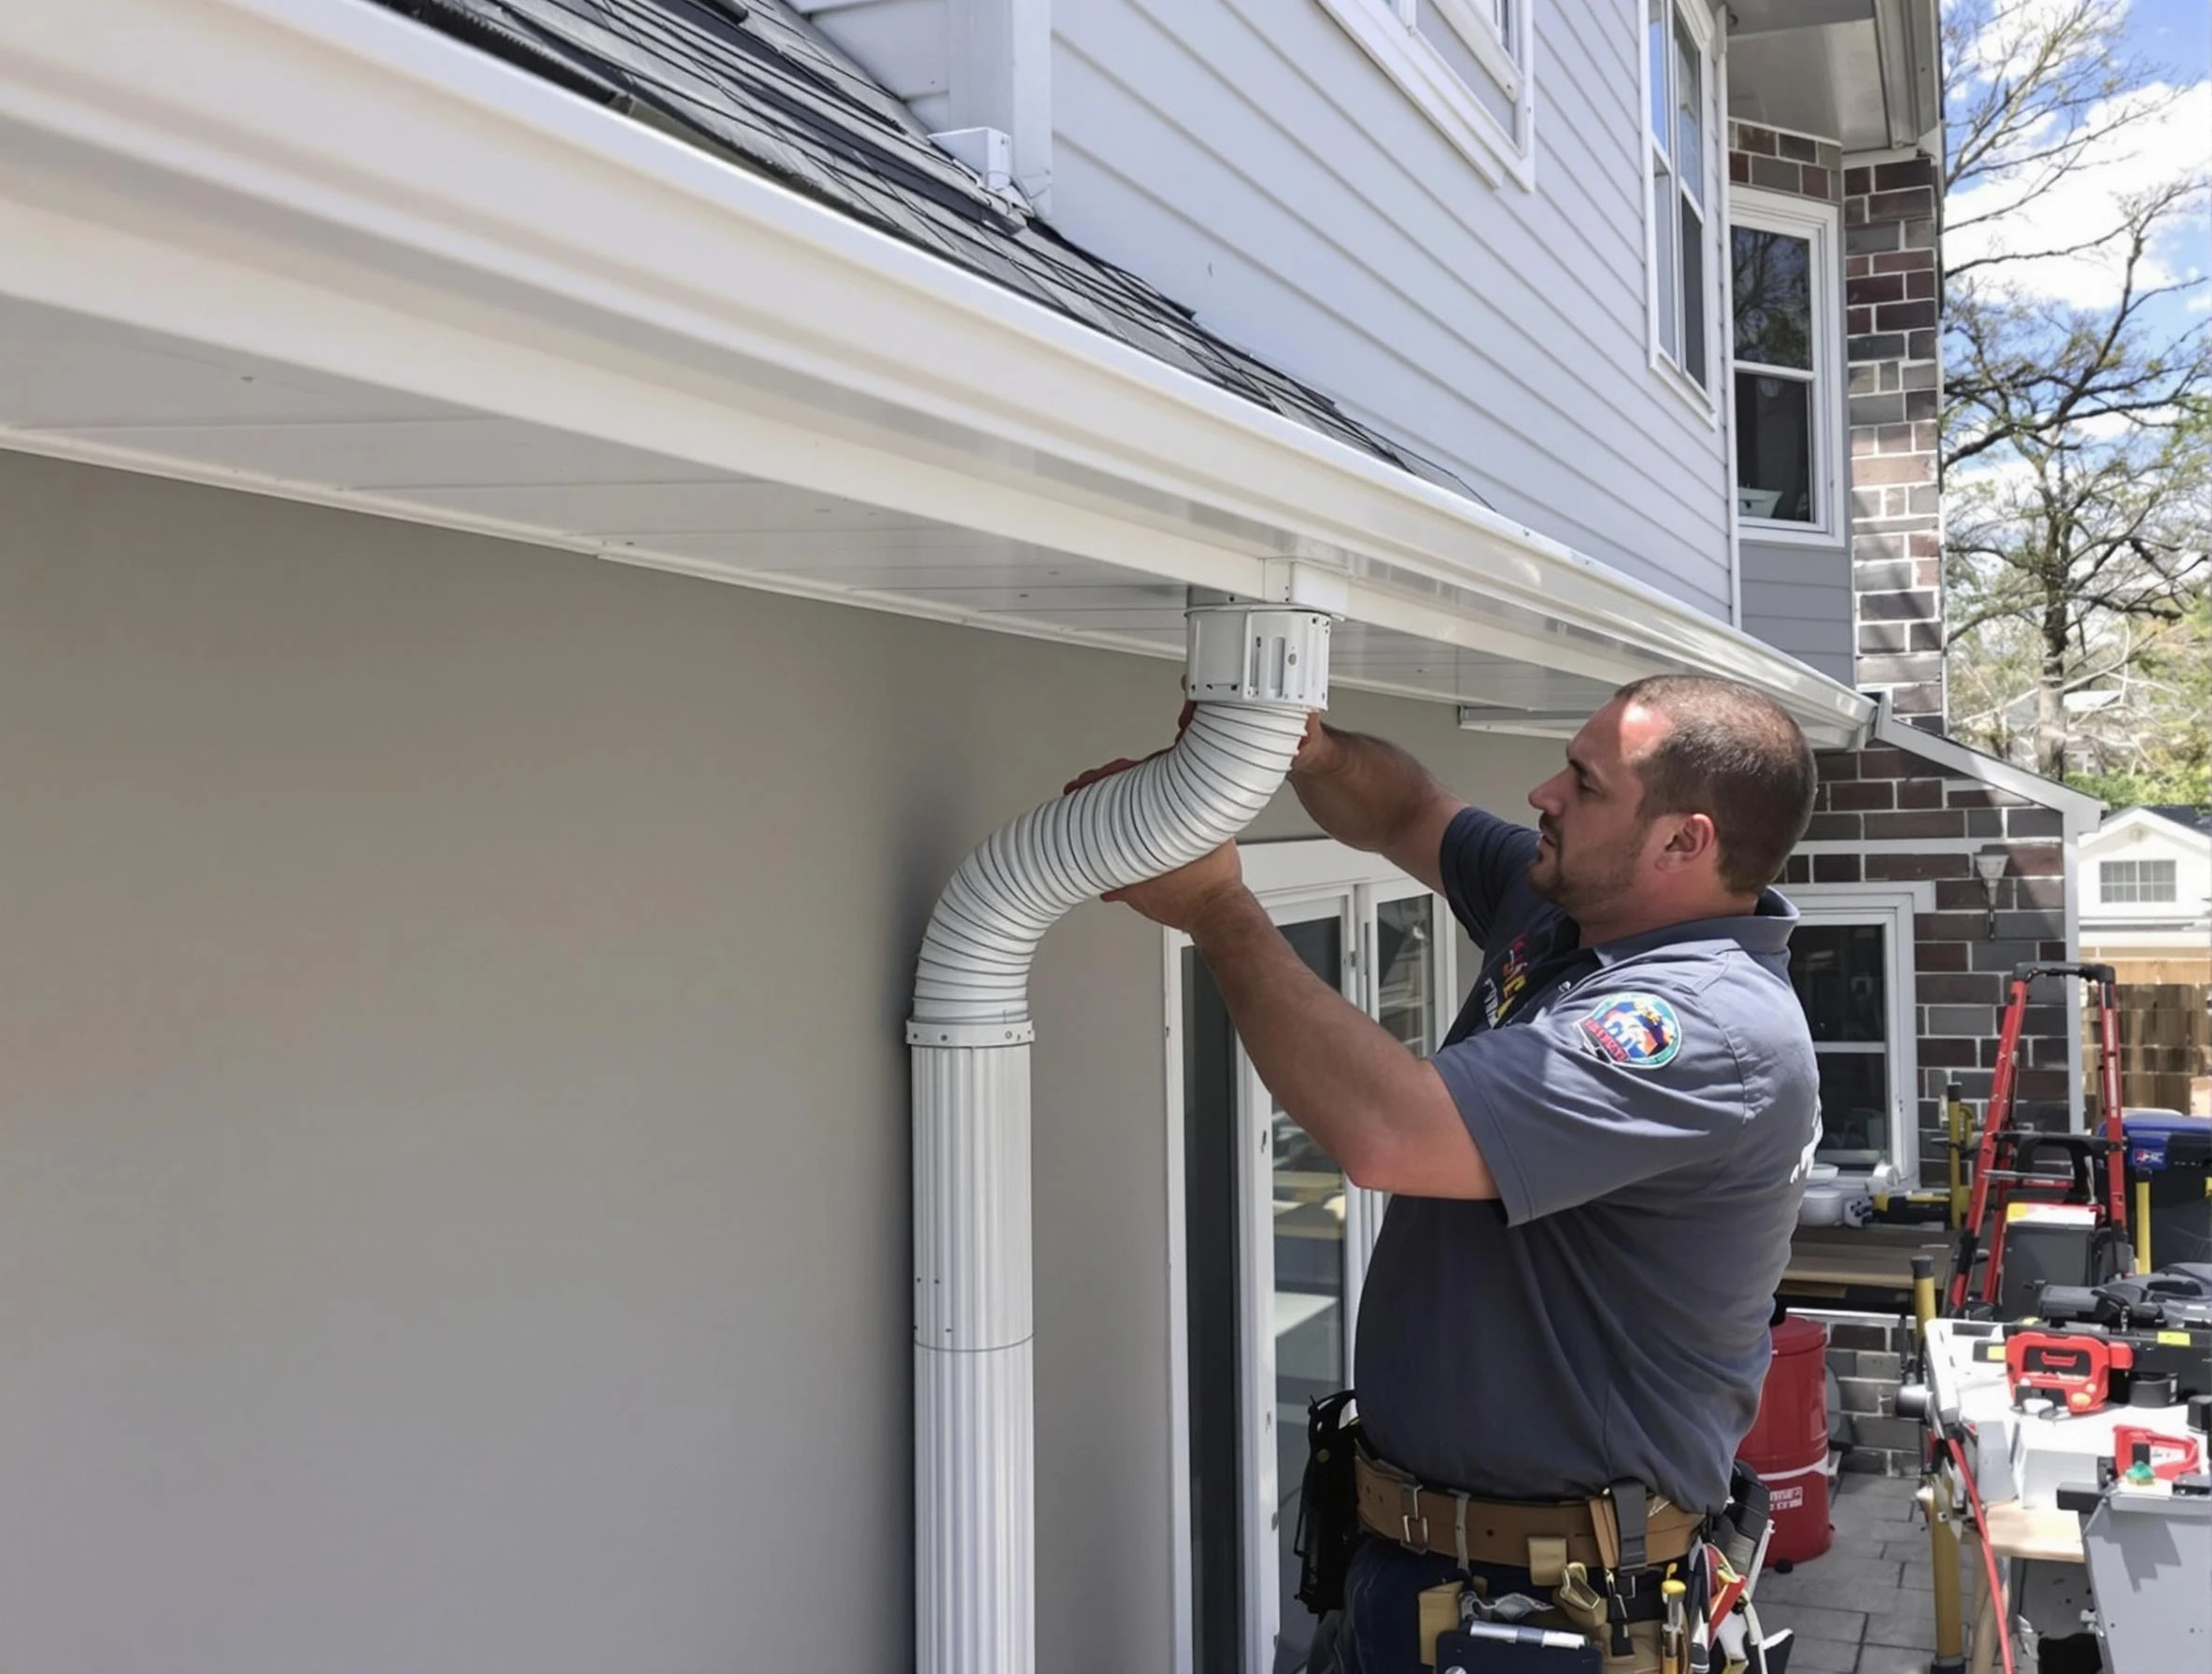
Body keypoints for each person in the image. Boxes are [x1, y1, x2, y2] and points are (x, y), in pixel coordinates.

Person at [1084, 674, 1821, 1672]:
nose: (1542, 795)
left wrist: (1217, 907)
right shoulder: (1574, 914)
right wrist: (1312, 749)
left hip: (1548, 1611)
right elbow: (1407, 812)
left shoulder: (1703, 1028)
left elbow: (1391, 1132)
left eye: (1584, 783)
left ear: (1682, 842)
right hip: (1421, 1570)